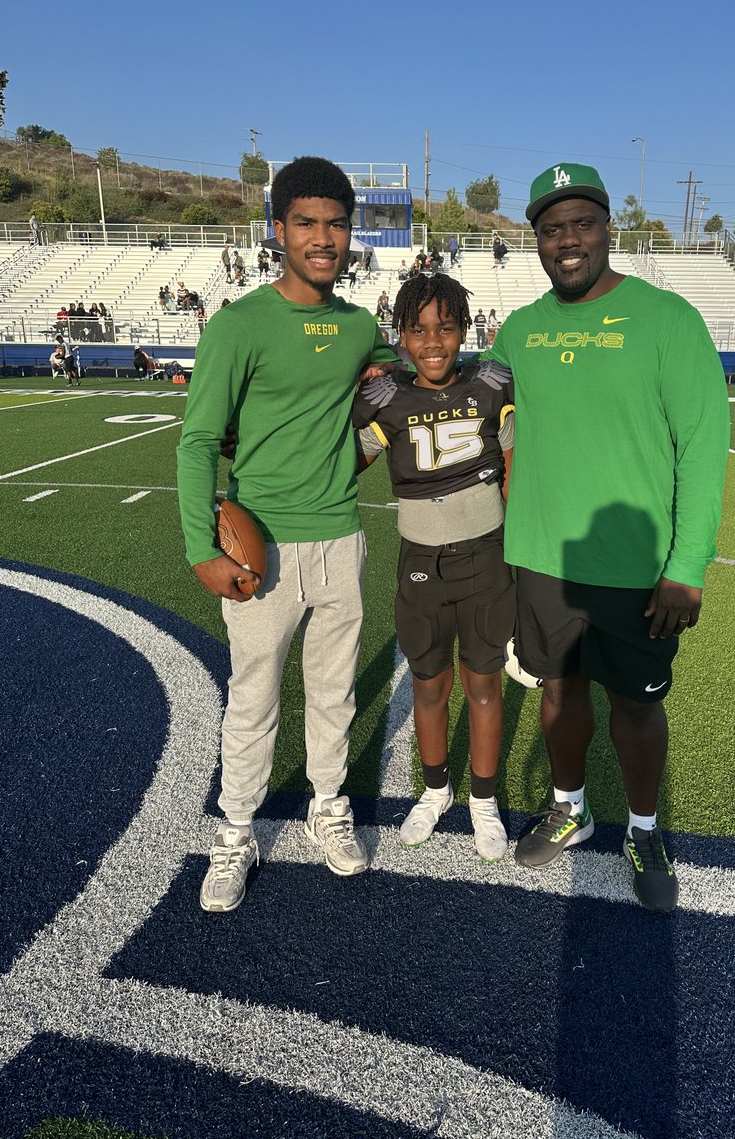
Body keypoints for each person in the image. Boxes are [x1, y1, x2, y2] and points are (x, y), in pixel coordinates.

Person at [487, 162, 729, 914]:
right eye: (551, 229)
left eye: (582, 224)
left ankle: (645, 830)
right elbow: (468, 403)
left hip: (637, 569)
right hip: (542, 559)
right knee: (559, 692)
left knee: (637, 705)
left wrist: (687, 566)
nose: (567, 241)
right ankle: (571, 808)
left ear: (607, 229)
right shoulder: (519, 331)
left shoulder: (669, 319)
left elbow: (703, 448)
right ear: (536, 241)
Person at [177, 155, 397, 913]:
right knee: (253, 697)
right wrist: (200, 549)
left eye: (336, 224)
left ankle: (326, 805)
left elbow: (390, 385)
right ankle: (236, 829)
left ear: (351, 232)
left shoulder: (360, 327)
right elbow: (197, 442)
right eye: (306, 223)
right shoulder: (239, 324)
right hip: (260, 545)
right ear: (278, 230)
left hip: (340, 537)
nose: (322, 238)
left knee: (334, 692)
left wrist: (371, 417)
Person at [352, 273, 515, 861]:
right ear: (400, 335)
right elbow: (345, 463)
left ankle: (484, 801)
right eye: (418, 330)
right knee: (429, 683)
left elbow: (514, 465)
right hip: (420, 557)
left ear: (464, 330)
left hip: (486, 553)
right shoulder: (385, 399)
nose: (433, 341)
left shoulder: (492, 384)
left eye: (445, 328)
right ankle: (437, 789)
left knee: (483, 682)